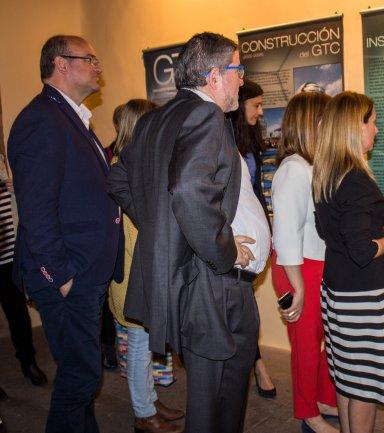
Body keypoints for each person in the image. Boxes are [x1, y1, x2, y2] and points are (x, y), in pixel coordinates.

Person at [107, 32, 270, 433]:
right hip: (214, 285)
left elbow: (119, 180)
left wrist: (164, 226)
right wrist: (225, 250)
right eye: (238, 70)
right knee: (219, 403)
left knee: (208, 394)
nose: (241, 79)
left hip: (194, 281)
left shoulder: (154, 119)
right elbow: (188, 190)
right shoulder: (205, 115)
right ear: (215, 76)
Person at [7, 35, 122, 433]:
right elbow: (36, 211)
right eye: (89, 58)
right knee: (80, 379)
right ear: (61, 64)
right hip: (67, 276)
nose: (98, 66)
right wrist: (63, 277)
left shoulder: (70, 117)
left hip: (82, 271)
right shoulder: (42, 120)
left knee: (82, 376)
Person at [312, 91, 384, 433]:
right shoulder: (355, 180)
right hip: (365, 298)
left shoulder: (329, 175)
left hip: (338, 290)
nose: (377, 129)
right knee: (366, 386)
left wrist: (377, 230)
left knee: (347, 379)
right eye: (372, 121)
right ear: (354, 126)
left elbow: (340, 232)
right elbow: (362, 251)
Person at [107, 99, 184, 433]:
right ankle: (143, 413)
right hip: (131, 272)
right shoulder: (122, 170)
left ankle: (150, 400)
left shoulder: (131, 166)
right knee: (139, 343)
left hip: (140, 267)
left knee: (146, 340)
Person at [271, 91, 339, 433]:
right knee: (306, 346)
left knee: (325, 340)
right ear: (311, 123)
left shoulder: (311, 165)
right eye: (325, 118)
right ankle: (308, 412)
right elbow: (285, 233)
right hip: (297, 268)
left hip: (316, 264)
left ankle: (324, 398)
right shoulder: (293, 169)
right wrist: (297, 285)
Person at [228, 79, 276, 399]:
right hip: (233, 241)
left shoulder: (249, 143)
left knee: (247, 306)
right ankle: (256, 366)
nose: (261, 112)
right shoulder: (223, 141)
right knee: (244, 308)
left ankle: (252, 364)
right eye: (256, 105)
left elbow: (257, 193)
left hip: (254, 238)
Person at [0, 155, 47, 387]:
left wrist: (16, 191)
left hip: (9, 258)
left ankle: (28, 362)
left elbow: (21, 211)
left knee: (18, 314)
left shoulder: (3, 165)